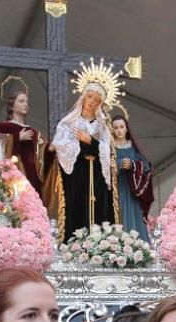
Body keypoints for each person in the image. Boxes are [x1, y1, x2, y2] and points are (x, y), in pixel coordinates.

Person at [47, 85, 118, 240]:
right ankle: (75, 245)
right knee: (77, 207)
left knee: (97, 208)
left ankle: (99, 245)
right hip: (76, 175)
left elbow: (108, 150)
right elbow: (61, 146)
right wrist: (80, 144)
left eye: (97, 100)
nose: (92, 102)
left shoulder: (101, 125)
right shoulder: (69, 122)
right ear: (84, 97)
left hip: (97, 177)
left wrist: (89, 140)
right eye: (90, 96)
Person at [0, 82, 44, 194]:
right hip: (14, 174)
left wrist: (51, 149)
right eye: (21, 101)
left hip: (32, 176)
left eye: (27, 102)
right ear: (12, 105)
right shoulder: (3, 126)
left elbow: (40, 154)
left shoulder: (33, 131)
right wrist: (17, 138)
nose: (25, 104)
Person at [110, 114, 153, 241]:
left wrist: (133, 165)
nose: (119, 130)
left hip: (133, 190)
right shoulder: (110, 148)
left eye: (121, 127)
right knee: (120, 216)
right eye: (116, 127)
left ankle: (138, 249)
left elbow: (146, 166)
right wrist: (119, 164)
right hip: (118, 189)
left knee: (135, 218)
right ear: (112, 130)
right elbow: (104, 167)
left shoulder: (133, 148)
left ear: (126, 129)